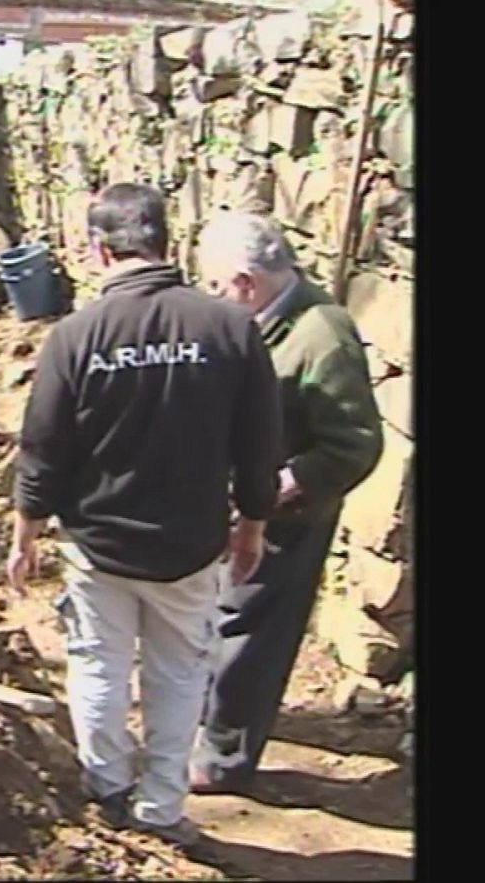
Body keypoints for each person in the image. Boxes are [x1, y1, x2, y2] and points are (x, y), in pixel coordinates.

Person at [8, 184, 283, 846]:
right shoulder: (230, 327)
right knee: (180, 671)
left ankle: (106, 787)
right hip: (190, 543)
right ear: (167, 242)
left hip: (98, 542)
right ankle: (161, 809)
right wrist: (252, 525)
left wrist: (27, 535)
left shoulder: (75, 336)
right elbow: (259, 442)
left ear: (98, 249)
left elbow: (44, 446)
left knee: (99, 665)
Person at [189, 211, 384, 795]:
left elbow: (353, 443)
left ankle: (223, 758)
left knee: (250, 629)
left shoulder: (323, 335)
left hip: (285, 517)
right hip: (234, 501)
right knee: (214, 617)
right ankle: (203, 720)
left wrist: (275, 492)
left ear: (246, 282)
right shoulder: (259, 322)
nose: (211, 295)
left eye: (216, 284)